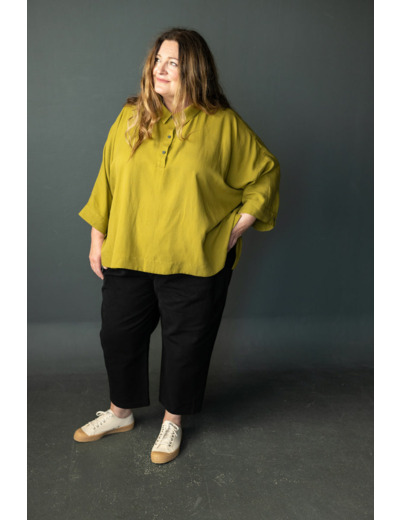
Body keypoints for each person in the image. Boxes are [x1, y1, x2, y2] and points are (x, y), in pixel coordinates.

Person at [74, 27, 280, 464]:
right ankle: (120, 413)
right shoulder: (131, 115)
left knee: (186, 344)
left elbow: (265, 173)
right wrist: (97, 237)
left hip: (194, 257)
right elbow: (107, 178)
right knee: (118, 335)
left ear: (195, 71)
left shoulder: (222, 124)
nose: (160, 69)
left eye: (173, 63)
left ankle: (173, 421)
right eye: (157, 60)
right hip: (129, 250)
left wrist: (236, 228)